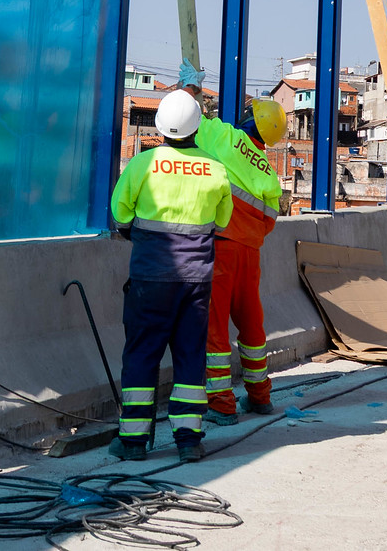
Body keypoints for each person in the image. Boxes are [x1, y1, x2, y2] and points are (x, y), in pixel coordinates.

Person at [108, 90, 233, 461]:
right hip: (196, 281)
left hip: (150, 278)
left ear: (160, 126)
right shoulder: (215, 168)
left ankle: (132, 442)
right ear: (197, 127)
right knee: (190, 355)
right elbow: (222, 221)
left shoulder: (142, 165)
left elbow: (121, 214)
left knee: (142, 353)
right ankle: (188, 441)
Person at [188, 77, 289, 425]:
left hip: (220, 248)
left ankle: (221, 404)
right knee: (251, 322)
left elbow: (188, 119)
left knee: (214, 326)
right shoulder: (268, 171)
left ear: (250, 121)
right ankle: (260, 396)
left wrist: (190, 88)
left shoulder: (226, 138)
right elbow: (270, 218)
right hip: (250, 252)